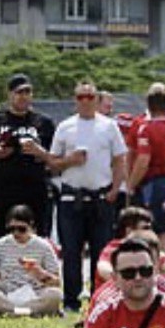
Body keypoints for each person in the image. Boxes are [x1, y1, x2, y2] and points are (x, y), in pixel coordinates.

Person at [46, 81, 128, 313]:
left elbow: (120, 159)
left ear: (97, 99)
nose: (85, 101)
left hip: (101, 197)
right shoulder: (65, 127)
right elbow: (52, 163)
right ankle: (71, 301)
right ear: (75, 100)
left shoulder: (109, 126)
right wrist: (70, 160)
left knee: (101, 252)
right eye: (80, 97)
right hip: (72, 197)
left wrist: (116, 189)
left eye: (90, 97)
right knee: (71, 251)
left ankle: (99, 299)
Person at [0, 74, 57, 242]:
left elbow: (56, 160)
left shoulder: (44, 122)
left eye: (27, 92)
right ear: (10, 94)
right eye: (19, 92)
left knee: (37, 241)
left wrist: (40, 152)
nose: (24, 96)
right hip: (3, 192)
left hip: (35, 192)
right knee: (2, 241)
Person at [125, 87, 165, 260]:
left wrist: (131, 184)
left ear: (148, 105)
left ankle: (151, 266)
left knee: (146, 231)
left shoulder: (145, 129)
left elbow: (143, 160)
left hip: (152, 186)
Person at [0, 204, 62, 317]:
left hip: (35, 294)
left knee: (55, 294)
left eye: (21, 229)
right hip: (6, 294)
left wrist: (40, 273)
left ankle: (14, 311)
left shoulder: (43, 246)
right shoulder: (0, 245)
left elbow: (57, 282)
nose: (16, 233)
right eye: (12, 229)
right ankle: (24, 311)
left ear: (31, 226)